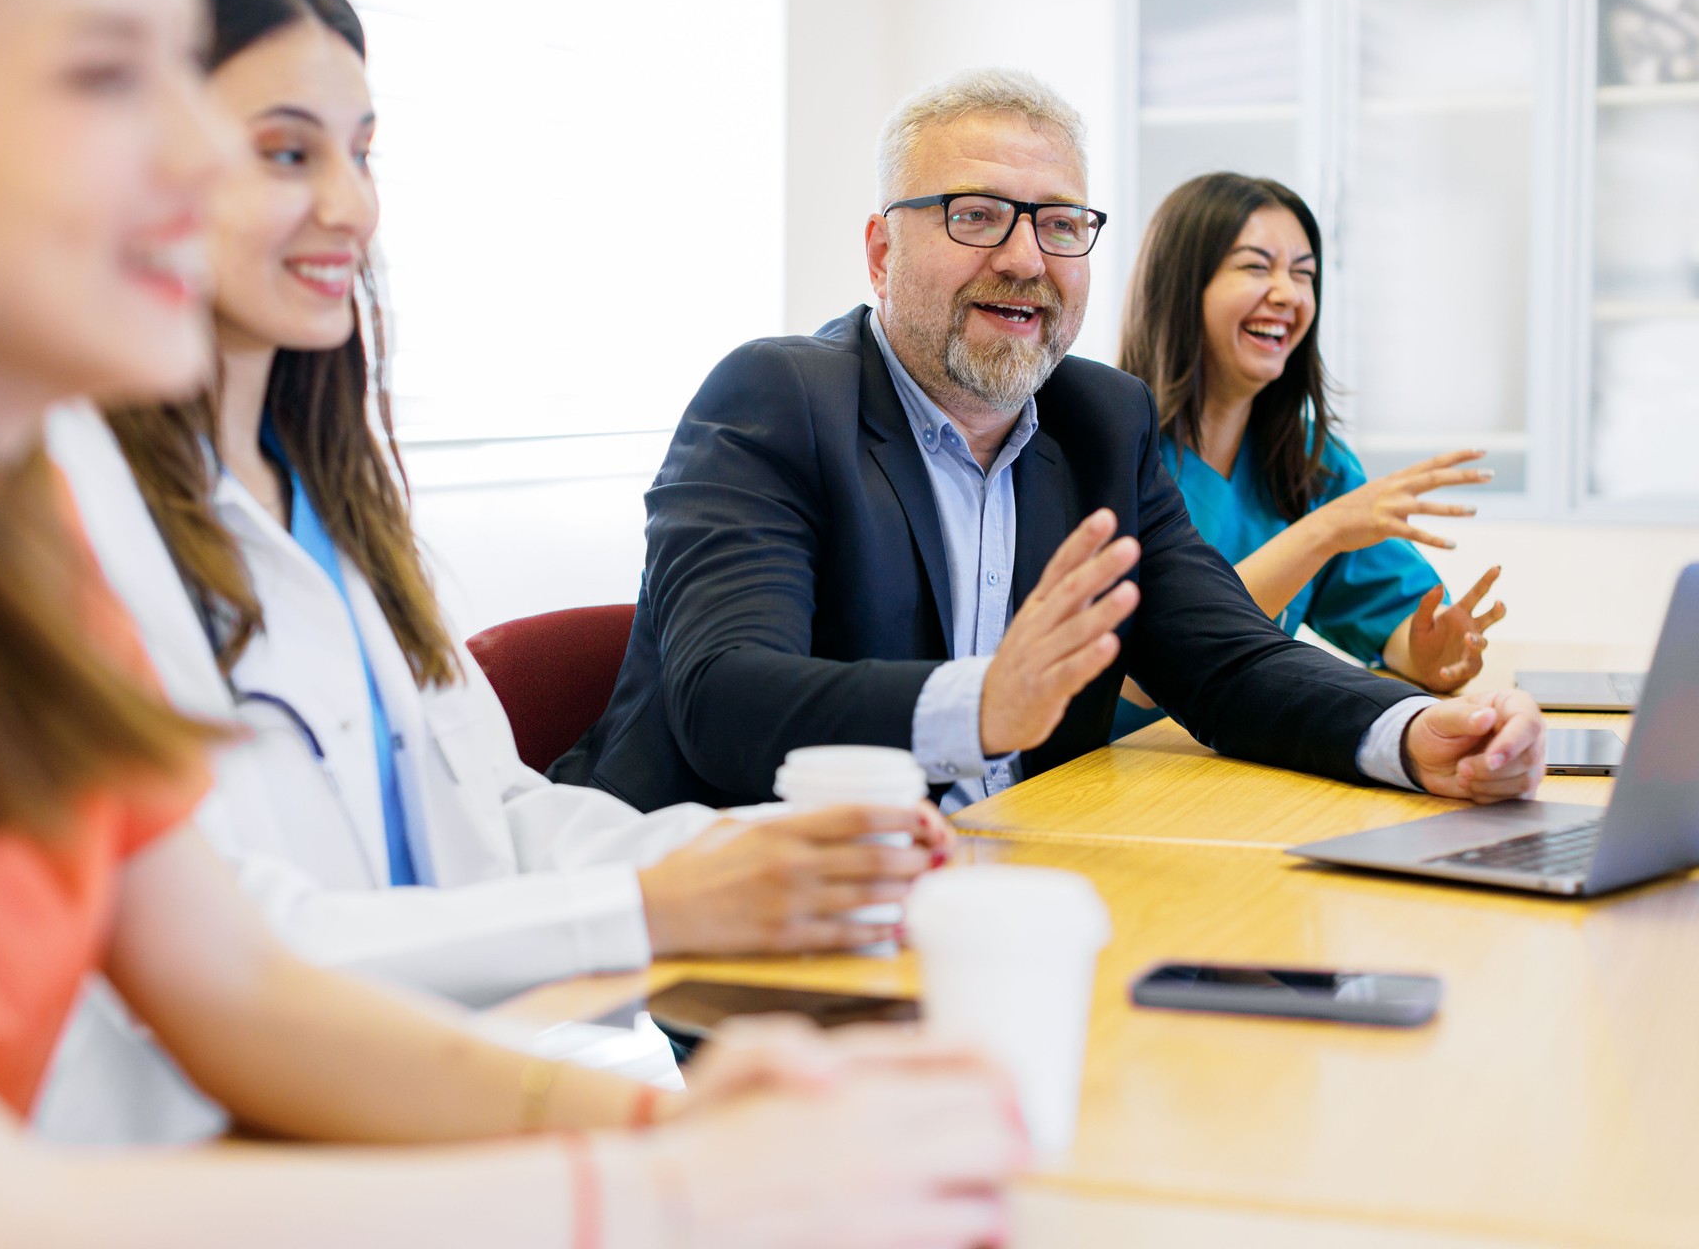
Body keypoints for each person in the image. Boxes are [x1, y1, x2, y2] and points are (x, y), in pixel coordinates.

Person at [0, 0, 1020, 1243]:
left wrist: (662, 1128)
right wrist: (666, 1177)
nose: (198, 160)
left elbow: (238, 985)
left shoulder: (4, 547)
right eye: (104, 76)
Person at [553, 68, 1546, 816]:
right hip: (729, 923)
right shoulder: (775, 398)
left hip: (1009, 878)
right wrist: (984, 703)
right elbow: (723, 699)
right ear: (880, 249)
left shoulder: (1099, 419)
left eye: (1061, 224)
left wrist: (1414, 731)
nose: (1026, 259)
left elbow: (1228, 662)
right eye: (977, 215)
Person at [1109, 172, 1507, 739]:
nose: (1289, 294)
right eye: (1255, 266)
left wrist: (1431, 656)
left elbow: (1396, 624)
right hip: (1099, 777)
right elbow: (1151, 673)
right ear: (1179, 285)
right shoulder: (1103, 447)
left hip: (1234, 770)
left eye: (1304, 274)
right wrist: (1323, 532)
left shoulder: (1311, 463)